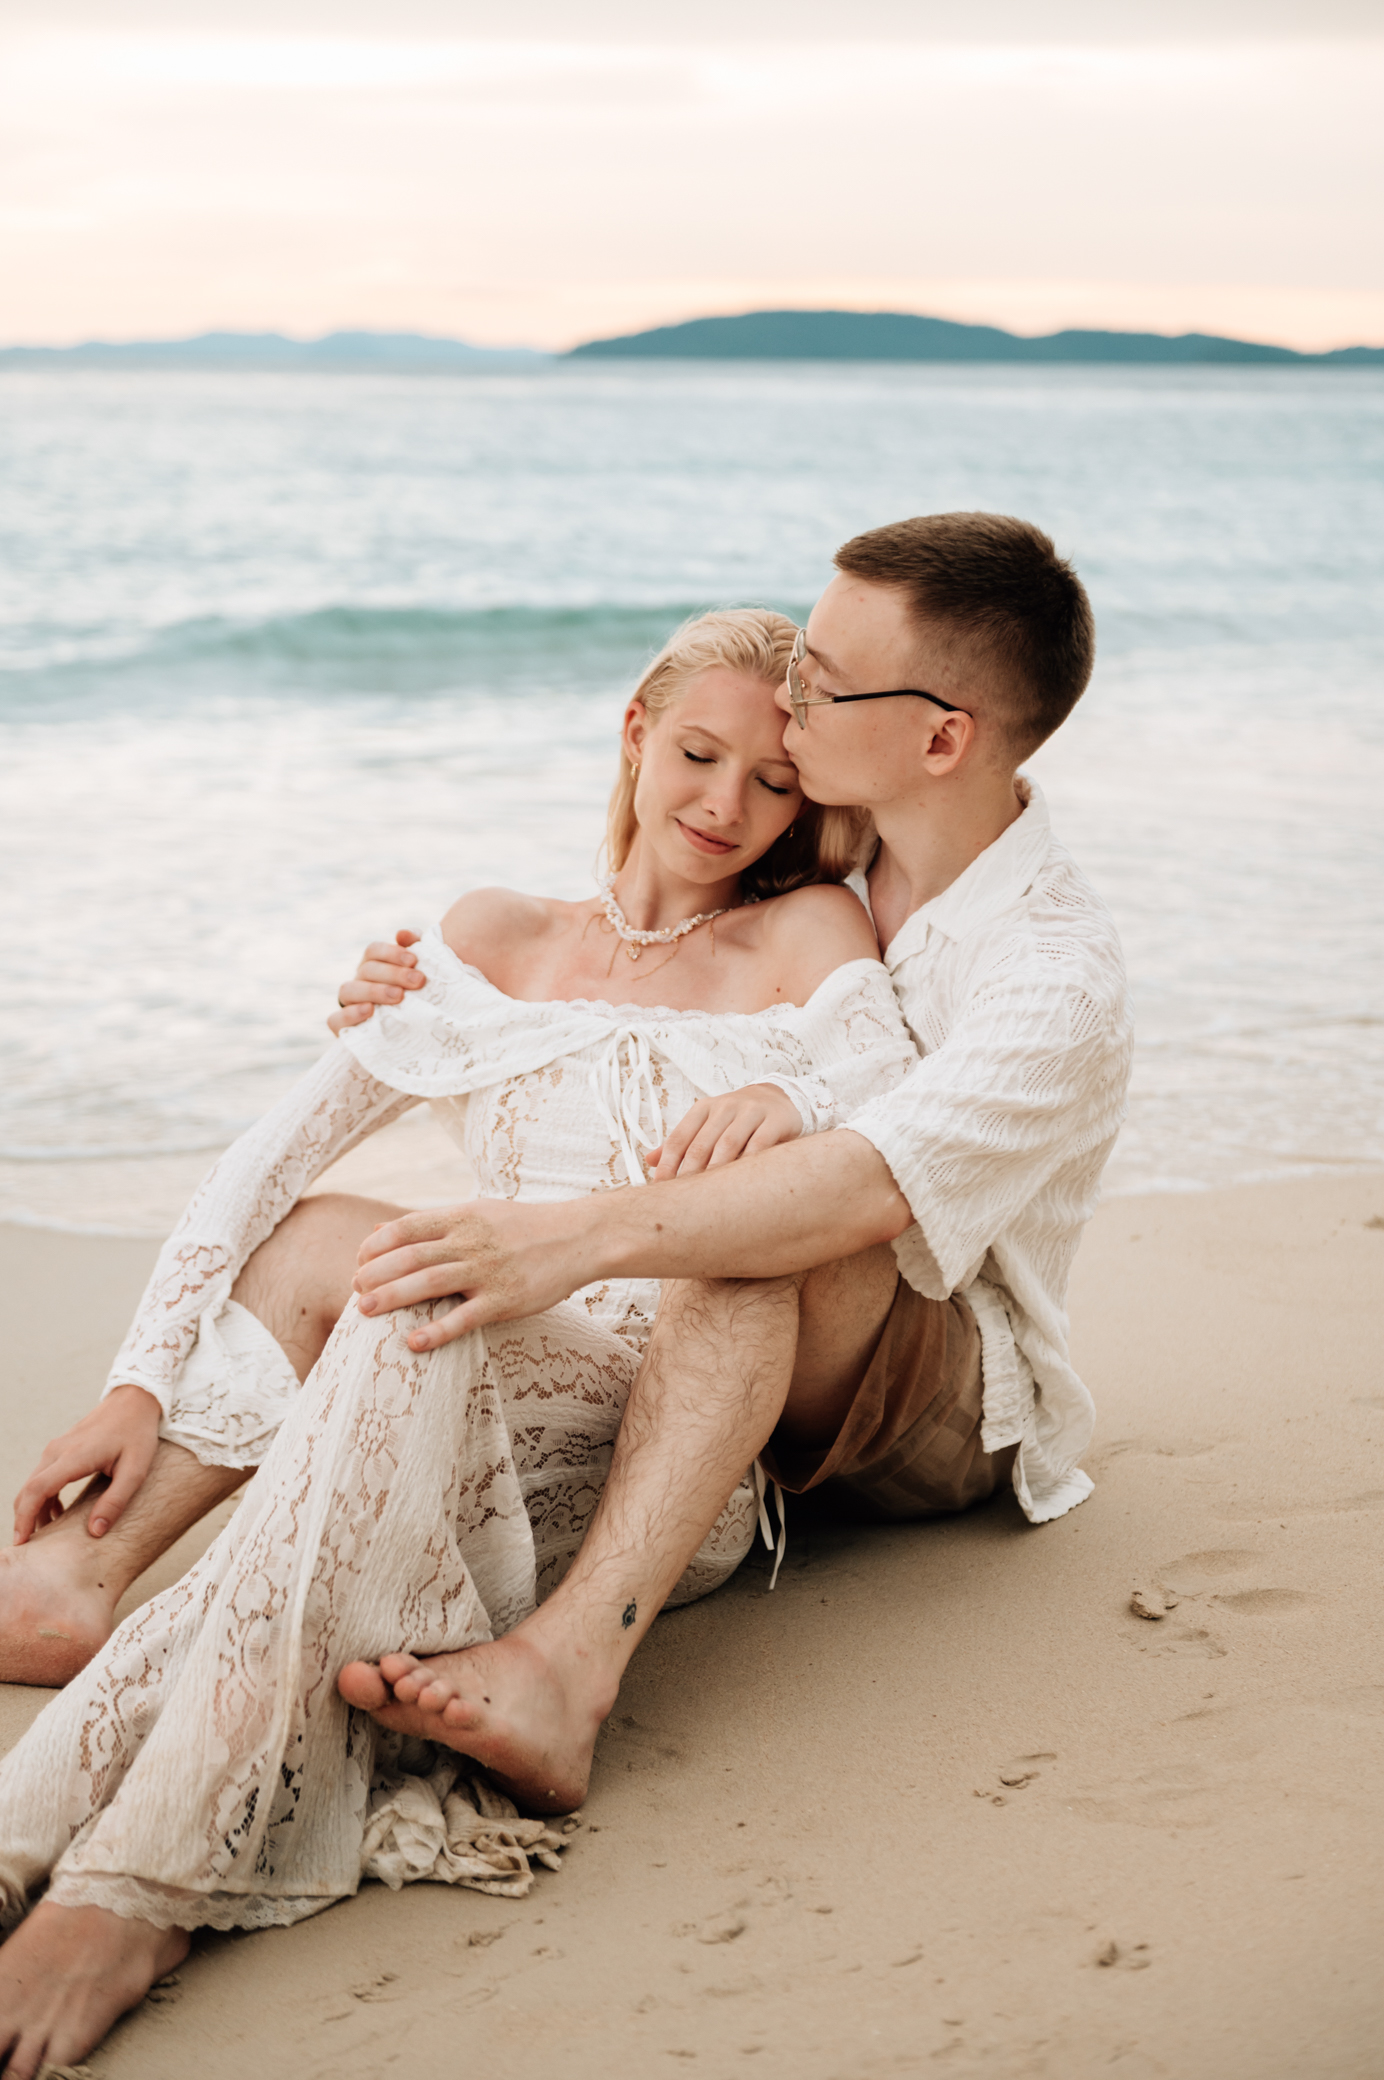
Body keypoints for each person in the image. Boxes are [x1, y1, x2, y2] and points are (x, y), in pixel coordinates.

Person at [0, 607, 924, 2077]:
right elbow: (264, 1159)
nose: (724, 807)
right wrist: (137, 1378)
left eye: (773, 786)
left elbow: (903, 1113)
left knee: (402, 1316)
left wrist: (803, 1106)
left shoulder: (803, 936)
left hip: (662, 1451)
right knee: (381, 1297)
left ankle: (127, 1888)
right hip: (439, 1376)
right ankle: (42, 1821)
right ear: (635, 731)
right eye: (697, 754)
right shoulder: (494, 937)